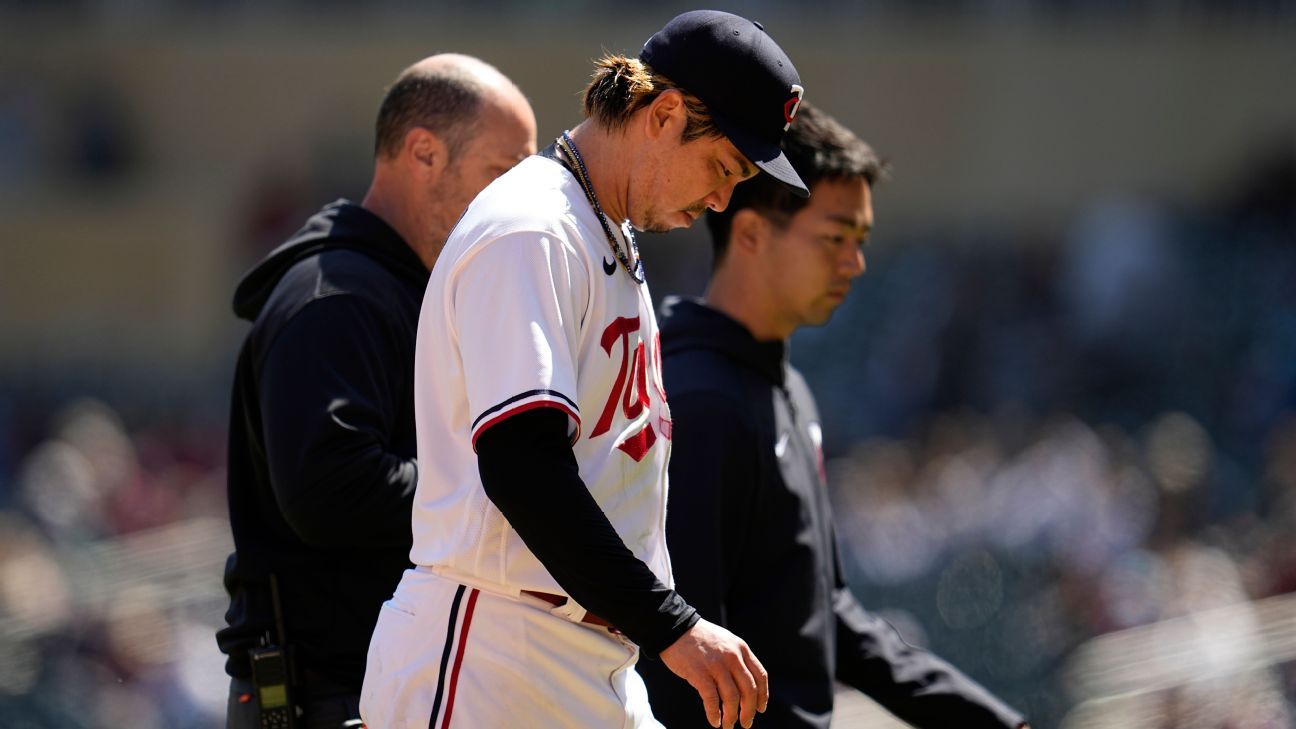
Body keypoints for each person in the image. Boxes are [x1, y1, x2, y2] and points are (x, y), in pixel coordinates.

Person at [359, 11, 809, 729]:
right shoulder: (534, 227)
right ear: (664, 115)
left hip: (582, 654)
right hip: (493, 650)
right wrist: (674, 624)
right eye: (724, 167)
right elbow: (521, 463)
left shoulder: (602, 232)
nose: (723, 199)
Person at [638, 101, 1030, 729]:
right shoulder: (697, 402)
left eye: (860, 242)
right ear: (751, 235)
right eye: (835, 238)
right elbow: (678, 663)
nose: (855, 264)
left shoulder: (784, 388)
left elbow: (829, 614)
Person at [216, 54, 537, 729]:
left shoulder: (406, 289)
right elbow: (331, 490)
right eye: (501, 174)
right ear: (423, 153)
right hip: (326, 700)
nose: (516, 204)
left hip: (383, 693)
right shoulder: (337, 296)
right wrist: (508, 494)